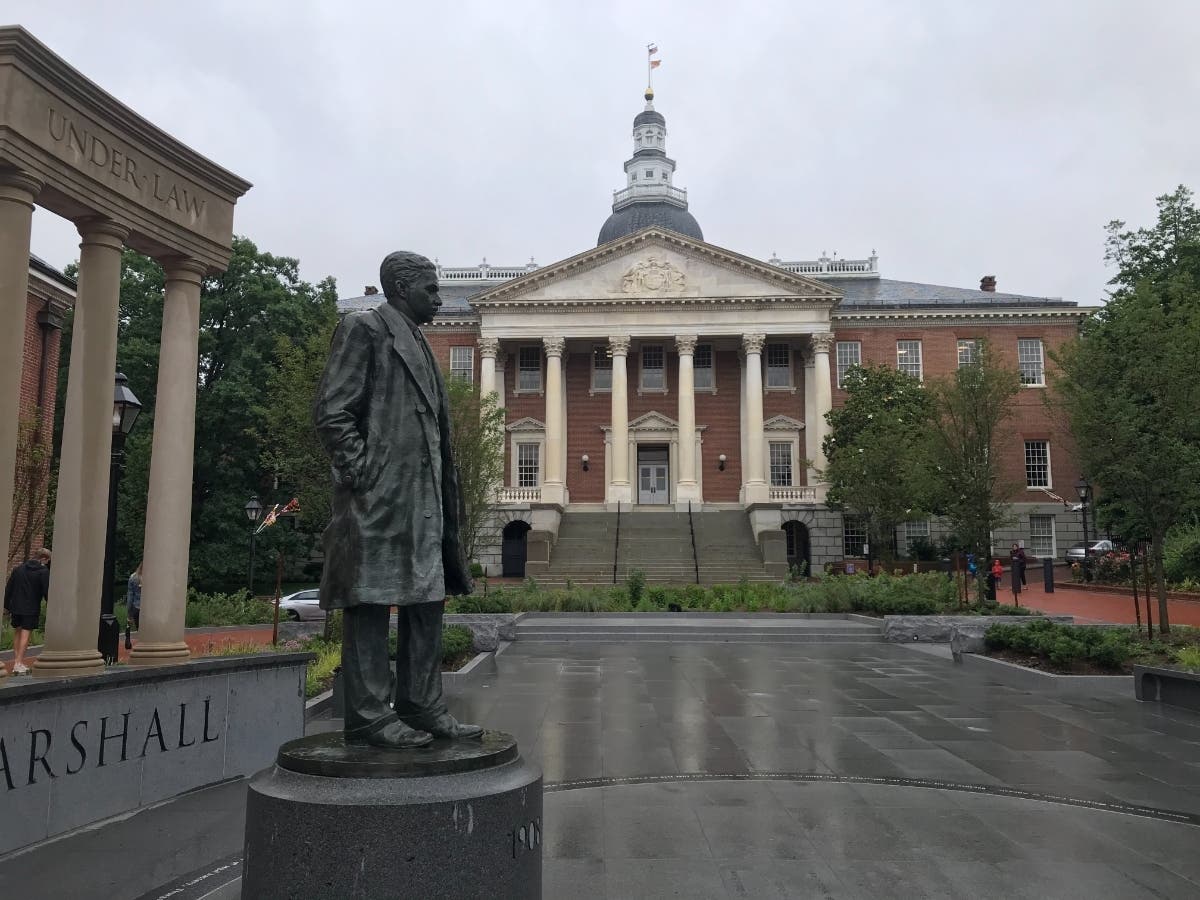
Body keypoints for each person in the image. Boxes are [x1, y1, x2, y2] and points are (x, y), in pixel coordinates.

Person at [315, 250, 480, 750]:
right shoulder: (365, 329)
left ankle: (422, 705)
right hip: (381, 495)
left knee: (427, 601)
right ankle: (367, 715)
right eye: (431, 289)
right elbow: (333, 410)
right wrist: (363, 472)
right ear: (402, 288)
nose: (439, 297)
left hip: (424, 496)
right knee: (369, 601)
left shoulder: (422, 342)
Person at [3, 548, 51, 675]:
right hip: (31, 608)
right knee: (26, 634)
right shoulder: (43, 572)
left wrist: (7, 605)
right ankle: (18, 663)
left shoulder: (18, 569)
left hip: (16, 606)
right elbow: (46, 591)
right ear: (44, 559)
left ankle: (16, 661)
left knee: (17, 632)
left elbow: (9, 588)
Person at [127, 563, 143, 630]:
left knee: (139, 630)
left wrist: (129, 613)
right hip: (150, 610)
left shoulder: (133, 577)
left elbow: (130, 597)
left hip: (137, 607)